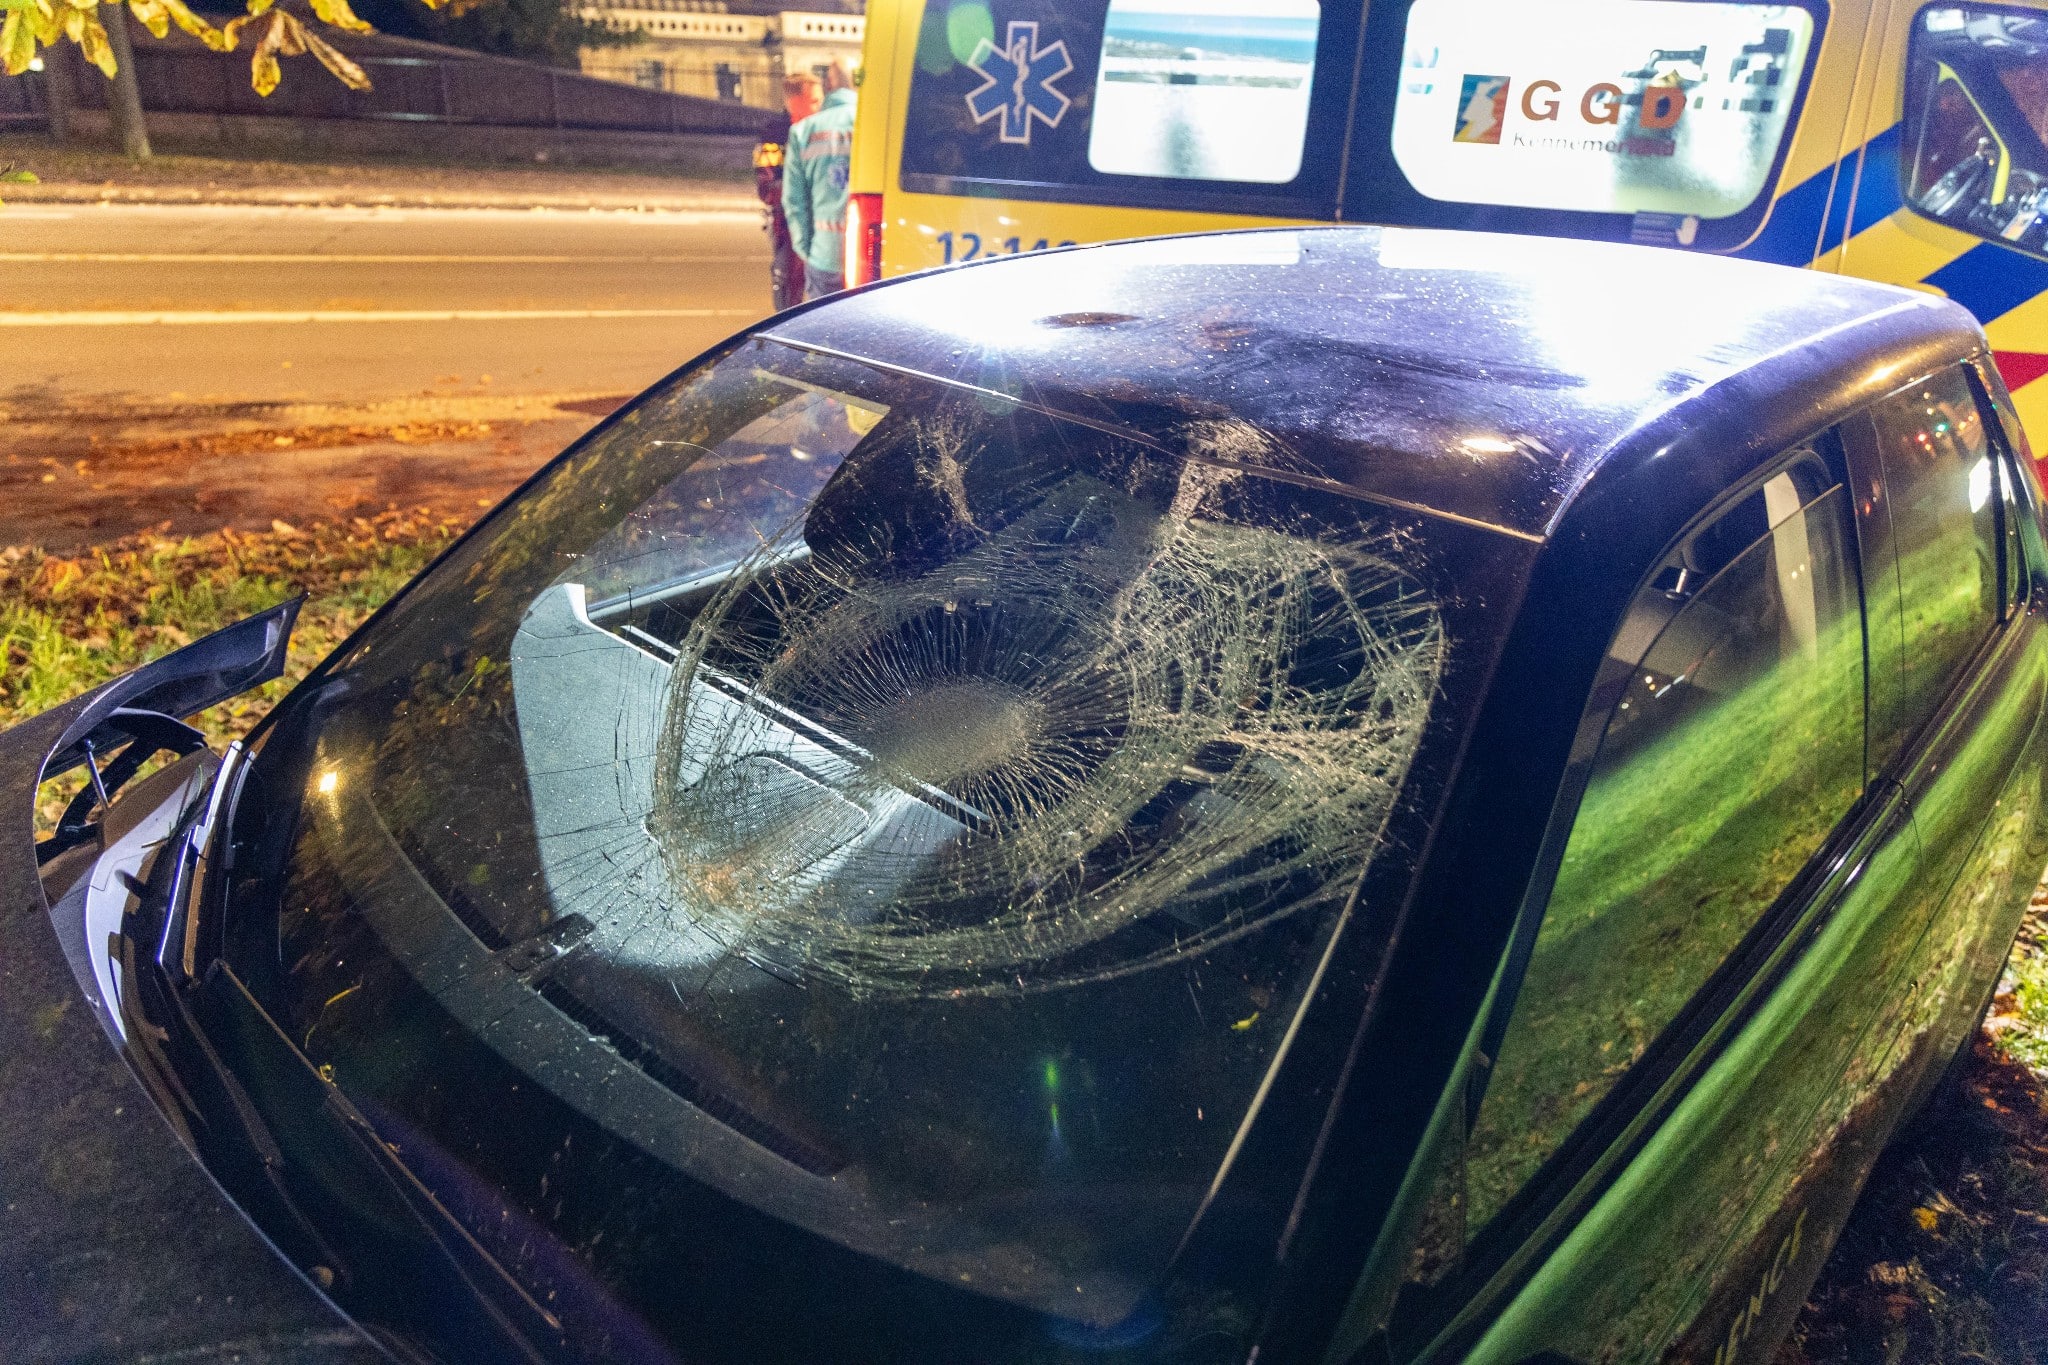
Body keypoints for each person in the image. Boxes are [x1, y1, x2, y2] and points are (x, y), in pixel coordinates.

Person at [781, 60, 857, 301]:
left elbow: (793, 201)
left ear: (827, 87)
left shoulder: (803, 131)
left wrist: (808, 250)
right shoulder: (877, 124)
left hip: (825, 256)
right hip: (869, 255)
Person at [754, 73, 822, 312]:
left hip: (822, 221)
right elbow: (766, 185)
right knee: (788, 283)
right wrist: (797, 190)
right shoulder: (776, 134)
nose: (819, 107)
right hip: (787, 223)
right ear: (795, 101)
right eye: (814, 101)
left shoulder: (821, 130)